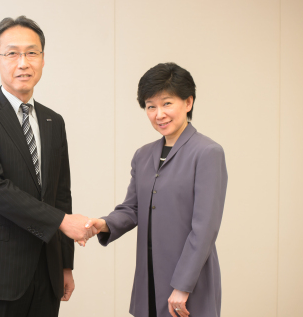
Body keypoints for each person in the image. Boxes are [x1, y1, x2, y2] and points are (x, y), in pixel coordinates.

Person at [0, 16, 92, 317]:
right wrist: (60, 221)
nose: (23, 63)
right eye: (12, 53)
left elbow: (61, 194)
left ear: (43, 60)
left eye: (32, 53)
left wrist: (65, 264)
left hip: (46, 273)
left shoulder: (53, 121)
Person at [84, 63, 228, 317]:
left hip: (189, 281)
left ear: (188, 102)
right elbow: (133, 208)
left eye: (167, 103)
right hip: (148, 278)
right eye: (151, 106)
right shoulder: (143, 155)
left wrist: (183, 286)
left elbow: (205, 228)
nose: (159, 114)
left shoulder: (207, 153)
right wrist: (103, 224)